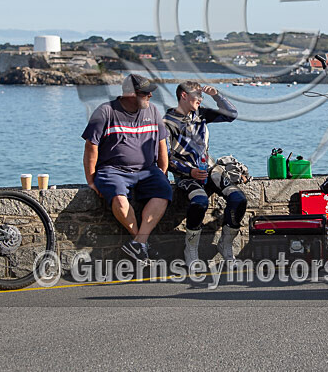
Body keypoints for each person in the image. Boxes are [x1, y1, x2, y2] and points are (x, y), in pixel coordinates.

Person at [82, 74, 172, 264]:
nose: (150, 96)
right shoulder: (105, 112)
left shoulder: (153, 111)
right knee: (120, 201)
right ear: (131, 94)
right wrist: (91, 179)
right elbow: (91, 146)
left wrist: (163, 171)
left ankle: (138, 244)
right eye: (145, 93)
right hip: (112, 170)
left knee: (164, 191)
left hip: (147, 170)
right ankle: (141, 244)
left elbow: (162, 144)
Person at [163, 81, 247, 267]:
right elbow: (165, 158)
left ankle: (225, 244)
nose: (200, 99)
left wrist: (216, 95)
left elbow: (232, 115)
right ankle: (191, 248)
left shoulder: (201, 115)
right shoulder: (168, 122)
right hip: (187, 175)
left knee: (239, 199)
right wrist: (189, 171)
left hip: (209, 170)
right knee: (200, 202)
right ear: (184, 95)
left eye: (202, 96)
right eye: (197, 95)